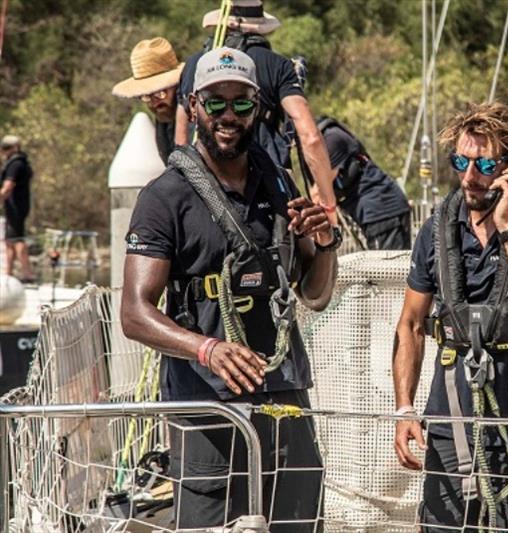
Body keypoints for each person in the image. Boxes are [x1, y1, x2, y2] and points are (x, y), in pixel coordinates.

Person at [120, 47, 339, 531]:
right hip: (206, 409)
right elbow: (134, 314)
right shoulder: (164, 198)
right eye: (214, 103)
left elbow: (316, 294)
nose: (227, 116)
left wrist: (323, 241)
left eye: (240, 104)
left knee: (298, 523)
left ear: (258, 106)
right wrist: (206, 349)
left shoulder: (278, 185)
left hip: (283, 398)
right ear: (193, 105)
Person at [392, 102, 508, 531]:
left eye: (485, 164)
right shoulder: (437, 229)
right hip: (451, 421)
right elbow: (411, 324)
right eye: (461, 161)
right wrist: (404, 408)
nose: (470, 176)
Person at [175, 0, 339, 223]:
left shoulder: (194, 65)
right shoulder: (278, 66)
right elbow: (310, 136)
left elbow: (181, 138)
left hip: (203, 186)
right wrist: (328, 207)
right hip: (265, 187)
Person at [318, 117, 411, 250]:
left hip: (382, 211)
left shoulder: (330, 139)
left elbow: (320, 193)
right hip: (382, 208)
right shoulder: (333, 135)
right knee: (395, 267)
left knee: (385, 268)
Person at [112, 37, 184, 165]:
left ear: (177, 86)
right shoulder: (163, 124)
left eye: (160, 93)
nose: (154, 103)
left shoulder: (194, 115)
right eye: (146, 96)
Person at [1, 135, 35, 282]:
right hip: (15, 206)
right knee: (10, 241)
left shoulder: (15, 164)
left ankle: (27, 275)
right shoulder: (21, 163)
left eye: (7, 148)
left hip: (16, 207)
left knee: (17, 239)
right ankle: (8, 274)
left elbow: (8, 187)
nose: (4, 151)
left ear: (15, 148)